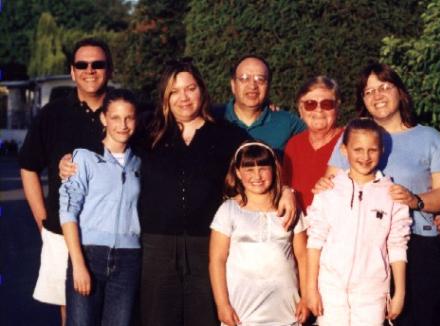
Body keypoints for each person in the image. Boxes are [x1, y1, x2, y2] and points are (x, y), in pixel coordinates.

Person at [322, 62, 440, 325]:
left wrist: (417, 201)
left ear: (400, 92)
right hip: (360, 251)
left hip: (416, 246)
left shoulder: (429, 137)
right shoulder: (354, 136)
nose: (377, 95)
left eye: (384, 87)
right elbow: (331, 184)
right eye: (368, 91)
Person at [138, 59, 251, 326]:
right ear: (165, 97)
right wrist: (71, 161)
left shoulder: (226, 135)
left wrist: (288, 191)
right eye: (174, 91)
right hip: (157, 246)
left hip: (207, 247)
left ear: (202, 89)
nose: (184, 98)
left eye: (190, 88)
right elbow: (109, 146)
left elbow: (264, 165)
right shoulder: (147, 131)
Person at [19, 37, 112, 325]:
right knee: (70, 313)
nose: (90, 70)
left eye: (98, 64)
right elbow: (28, 166)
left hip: (114, 233)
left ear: (110, 69)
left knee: (114, 311)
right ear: (72, 71)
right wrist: (42, 220)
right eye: (81, 64)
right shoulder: (53, 114)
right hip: (62, 233)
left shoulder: (125, 112)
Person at [306, 118, 412, 326]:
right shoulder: (328, 191)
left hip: (372, 292)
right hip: (330, 290)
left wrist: (399, 292)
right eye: (358, 149)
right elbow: (315, 241)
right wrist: (311, 288)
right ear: (344, 151)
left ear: (381, 150)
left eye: (372, 150)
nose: (365, 157)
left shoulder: (392, 194)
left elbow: (397, 245)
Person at [59, 89, 141, 326]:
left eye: (129, 118)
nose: (123, 125)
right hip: (89, 255)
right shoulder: (84, 158)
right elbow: (68, 211)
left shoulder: (141, 162)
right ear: (104, 119)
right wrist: (79, 264)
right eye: (115, 118)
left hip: (128, 259)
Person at [209, 141, 309, 326]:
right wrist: (222, 305)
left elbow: (303, 257)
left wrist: (306, 298)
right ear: (238, 173)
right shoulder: (228, 210)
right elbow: (217, 260)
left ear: (274, 169)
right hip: (243, 313)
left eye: (263, 168)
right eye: (249, 169)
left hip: (286, 310)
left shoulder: (290, 209)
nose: (257, 176)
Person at [214, 54, 306, 155]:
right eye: (244, 79)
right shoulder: (212, 118)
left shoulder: (288, 123)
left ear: (268, 85)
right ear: (233, 85)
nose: (252, 86)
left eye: (260, 79)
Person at [283, 76, 343, 213]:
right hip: (299, 227)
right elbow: (284, 186)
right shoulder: (294, 144)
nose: (319, 110)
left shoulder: (350, 140)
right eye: (310, 104)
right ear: (300, 110)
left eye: (327, 104)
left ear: (337, 108)